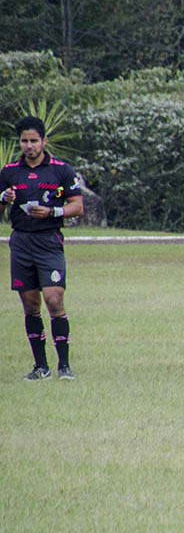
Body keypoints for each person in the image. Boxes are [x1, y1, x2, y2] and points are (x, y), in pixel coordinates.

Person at [0, 116, 84, 380]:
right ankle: (41, 366)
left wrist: (52, 211)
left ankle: (64, 366)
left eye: (34, 140)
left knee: (54, 299)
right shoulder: (9, 172)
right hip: (22, 242)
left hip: (49, 241)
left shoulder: (61, 170)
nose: (29, 146)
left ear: (44, 141)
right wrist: (3, 198)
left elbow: (77, 206)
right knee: (30, 305)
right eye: (24, 141)